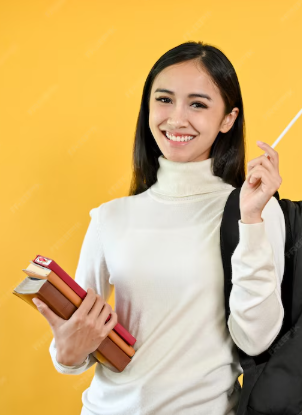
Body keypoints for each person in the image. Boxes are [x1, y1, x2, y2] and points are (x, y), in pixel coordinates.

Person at [31, 41, 286, 415]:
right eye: (164, 100)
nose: (177, 119)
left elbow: (255, 338)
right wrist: (66, 352)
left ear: (228, 119)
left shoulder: (253, 208)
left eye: (198, 104)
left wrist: (250, 221)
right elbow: (80, 346)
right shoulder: (110, 217)